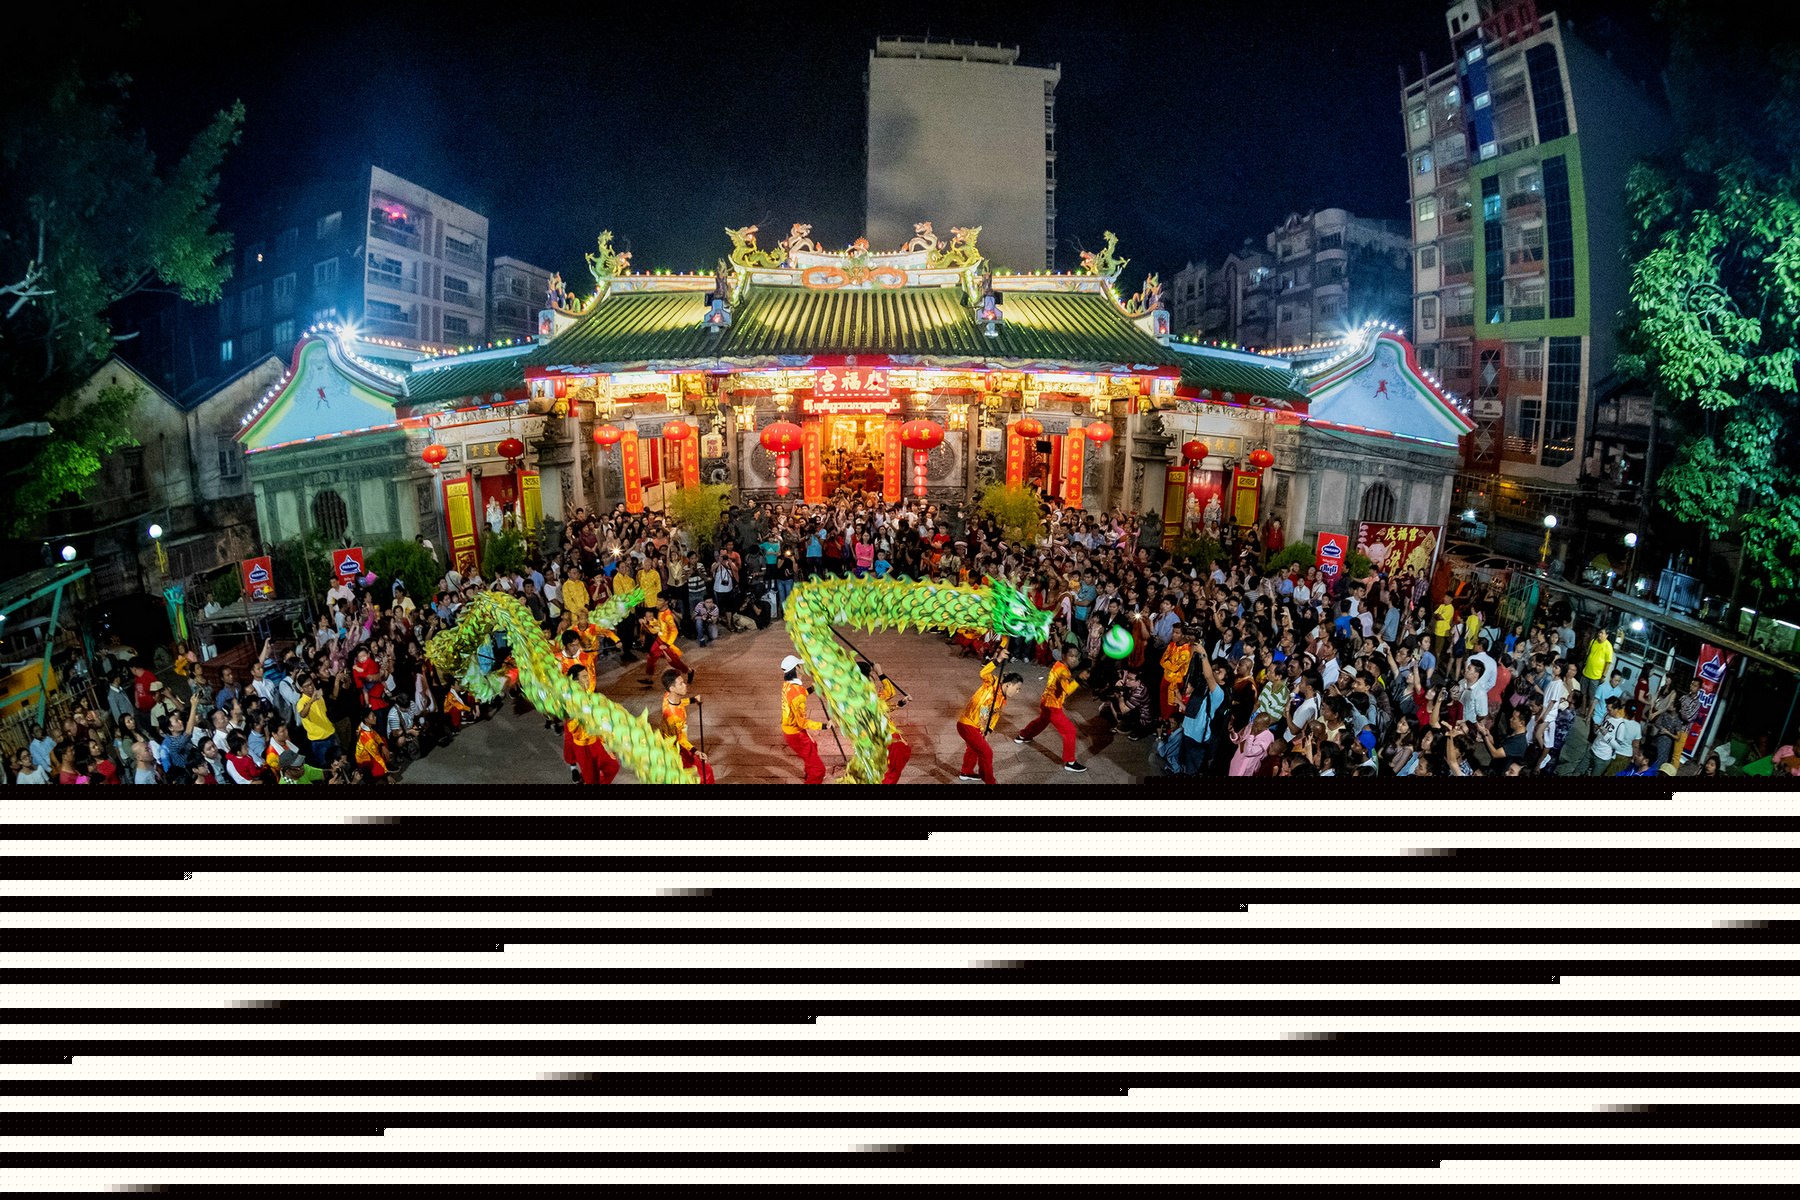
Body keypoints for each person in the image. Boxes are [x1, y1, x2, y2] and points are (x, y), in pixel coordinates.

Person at [1014, 644, 1085, 772]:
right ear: (1064, 656)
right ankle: (1070, 762)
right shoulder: (1063, 671)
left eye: (1076, 656)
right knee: (1070, 731)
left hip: (1046, 701)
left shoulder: (1058, 665)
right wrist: (1079, 679)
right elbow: (1068, 690)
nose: (1074, 659)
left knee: (1041, 722)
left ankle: (1023, 735)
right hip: (1053, 707)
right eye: (1071, 656)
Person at [956, 652, 1023, 785]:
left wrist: (988, 730)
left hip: (978, 725)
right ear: (1008, 685)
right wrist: (998, 659)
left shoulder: (1003, 698)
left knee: (974, 748)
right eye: (1017, 688)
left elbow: (994, 715)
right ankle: (990, 781)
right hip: (967, 724)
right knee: (987, 752)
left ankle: (966, 772)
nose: (1018, 692)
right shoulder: (992, 683)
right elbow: (983, 673)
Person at [562, 663, 621, 786]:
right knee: (592, 780)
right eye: (584, 677)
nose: (588, 679)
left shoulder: (589, 695)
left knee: (612, 767)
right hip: (585, 749)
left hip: (597, 742)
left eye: (587, 676)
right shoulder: (570, 700)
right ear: (576, 681)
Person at [780, 655, 830, 785]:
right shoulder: (798, 696)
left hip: (791, 729)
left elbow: (798, 694)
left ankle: (809, 775)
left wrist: (812, 689)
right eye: (801, 665)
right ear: (796, 668)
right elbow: (802, 722)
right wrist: (825, 726)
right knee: (819, 770)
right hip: (796, 734)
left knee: (813, 747)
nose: (803, 667)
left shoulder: (787, 685)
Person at [662, 669, 714, 784]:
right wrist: (697, 752)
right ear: (672, 688)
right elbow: (680, 739)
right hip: (676, 750)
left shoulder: (667, 697)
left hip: (673, 744)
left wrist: (692, 700)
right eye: (681, 684)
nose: (685, 685)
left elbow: (679, 703)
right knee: (705, 773)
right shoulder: (673, 717)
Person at [641, 599, 691, 688]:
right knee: (651, 656)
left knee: (674, 662)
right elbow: (658, 628)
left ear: (666, 602)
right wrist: (648, 623)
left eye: (660, 601)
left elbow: (674, 631)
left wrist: (667, 645)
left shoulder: (668, 616)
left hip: (665, 642)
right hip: (659, 640)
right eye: (657, 600)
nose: (657, 603)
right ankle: (649, 679)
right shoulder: (660, 612)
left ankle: (689, 671)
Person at [354, 708, 391, 783]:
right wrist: (387, 775)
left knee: (382, 740)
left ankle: (386, 763)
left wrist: (382, 745)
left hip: (368, 753)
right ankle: (370, 778)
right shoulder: (367, 738)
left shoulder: (363, 725)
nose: (375, 717)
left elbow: (376, 735)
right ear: (366, 719)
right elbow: (377, 756)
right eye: (373, 716)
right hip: (364, 761)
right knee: (379, 770)